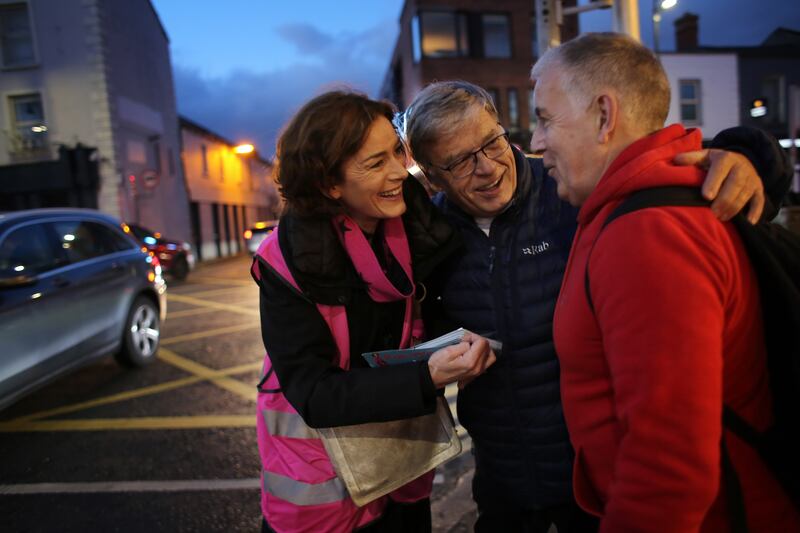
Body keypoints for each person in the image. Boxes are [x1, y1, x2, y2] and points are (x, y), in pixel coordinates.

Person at [402, 79, 788, 532]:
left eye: (492, 143)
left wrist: (745, 156)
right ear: (431, 176)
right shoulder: (429, 235)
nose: (486, 168)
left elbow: (656, 167)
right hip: (502, 473)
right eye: (461, 162)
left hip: (591, 476)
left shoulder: (570, 191)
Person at [530, 32, 800, 531]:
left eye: (545, 119)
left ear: (604, 116)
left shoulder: (646, 233)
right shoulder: (636, 207)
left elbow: (668, 465)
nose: (535, 142)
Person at [251, 90, 496, 533]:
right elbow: (313, 392)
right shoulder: (284, 262)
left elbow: (430, 316)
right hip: (320, 485)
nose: (399, 172)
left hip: (400, 463)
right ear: (330, 184)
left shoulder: (416, 226)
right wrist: (425, 377)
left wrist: (460, 340)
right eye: (374, 163)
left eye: (396, 153)